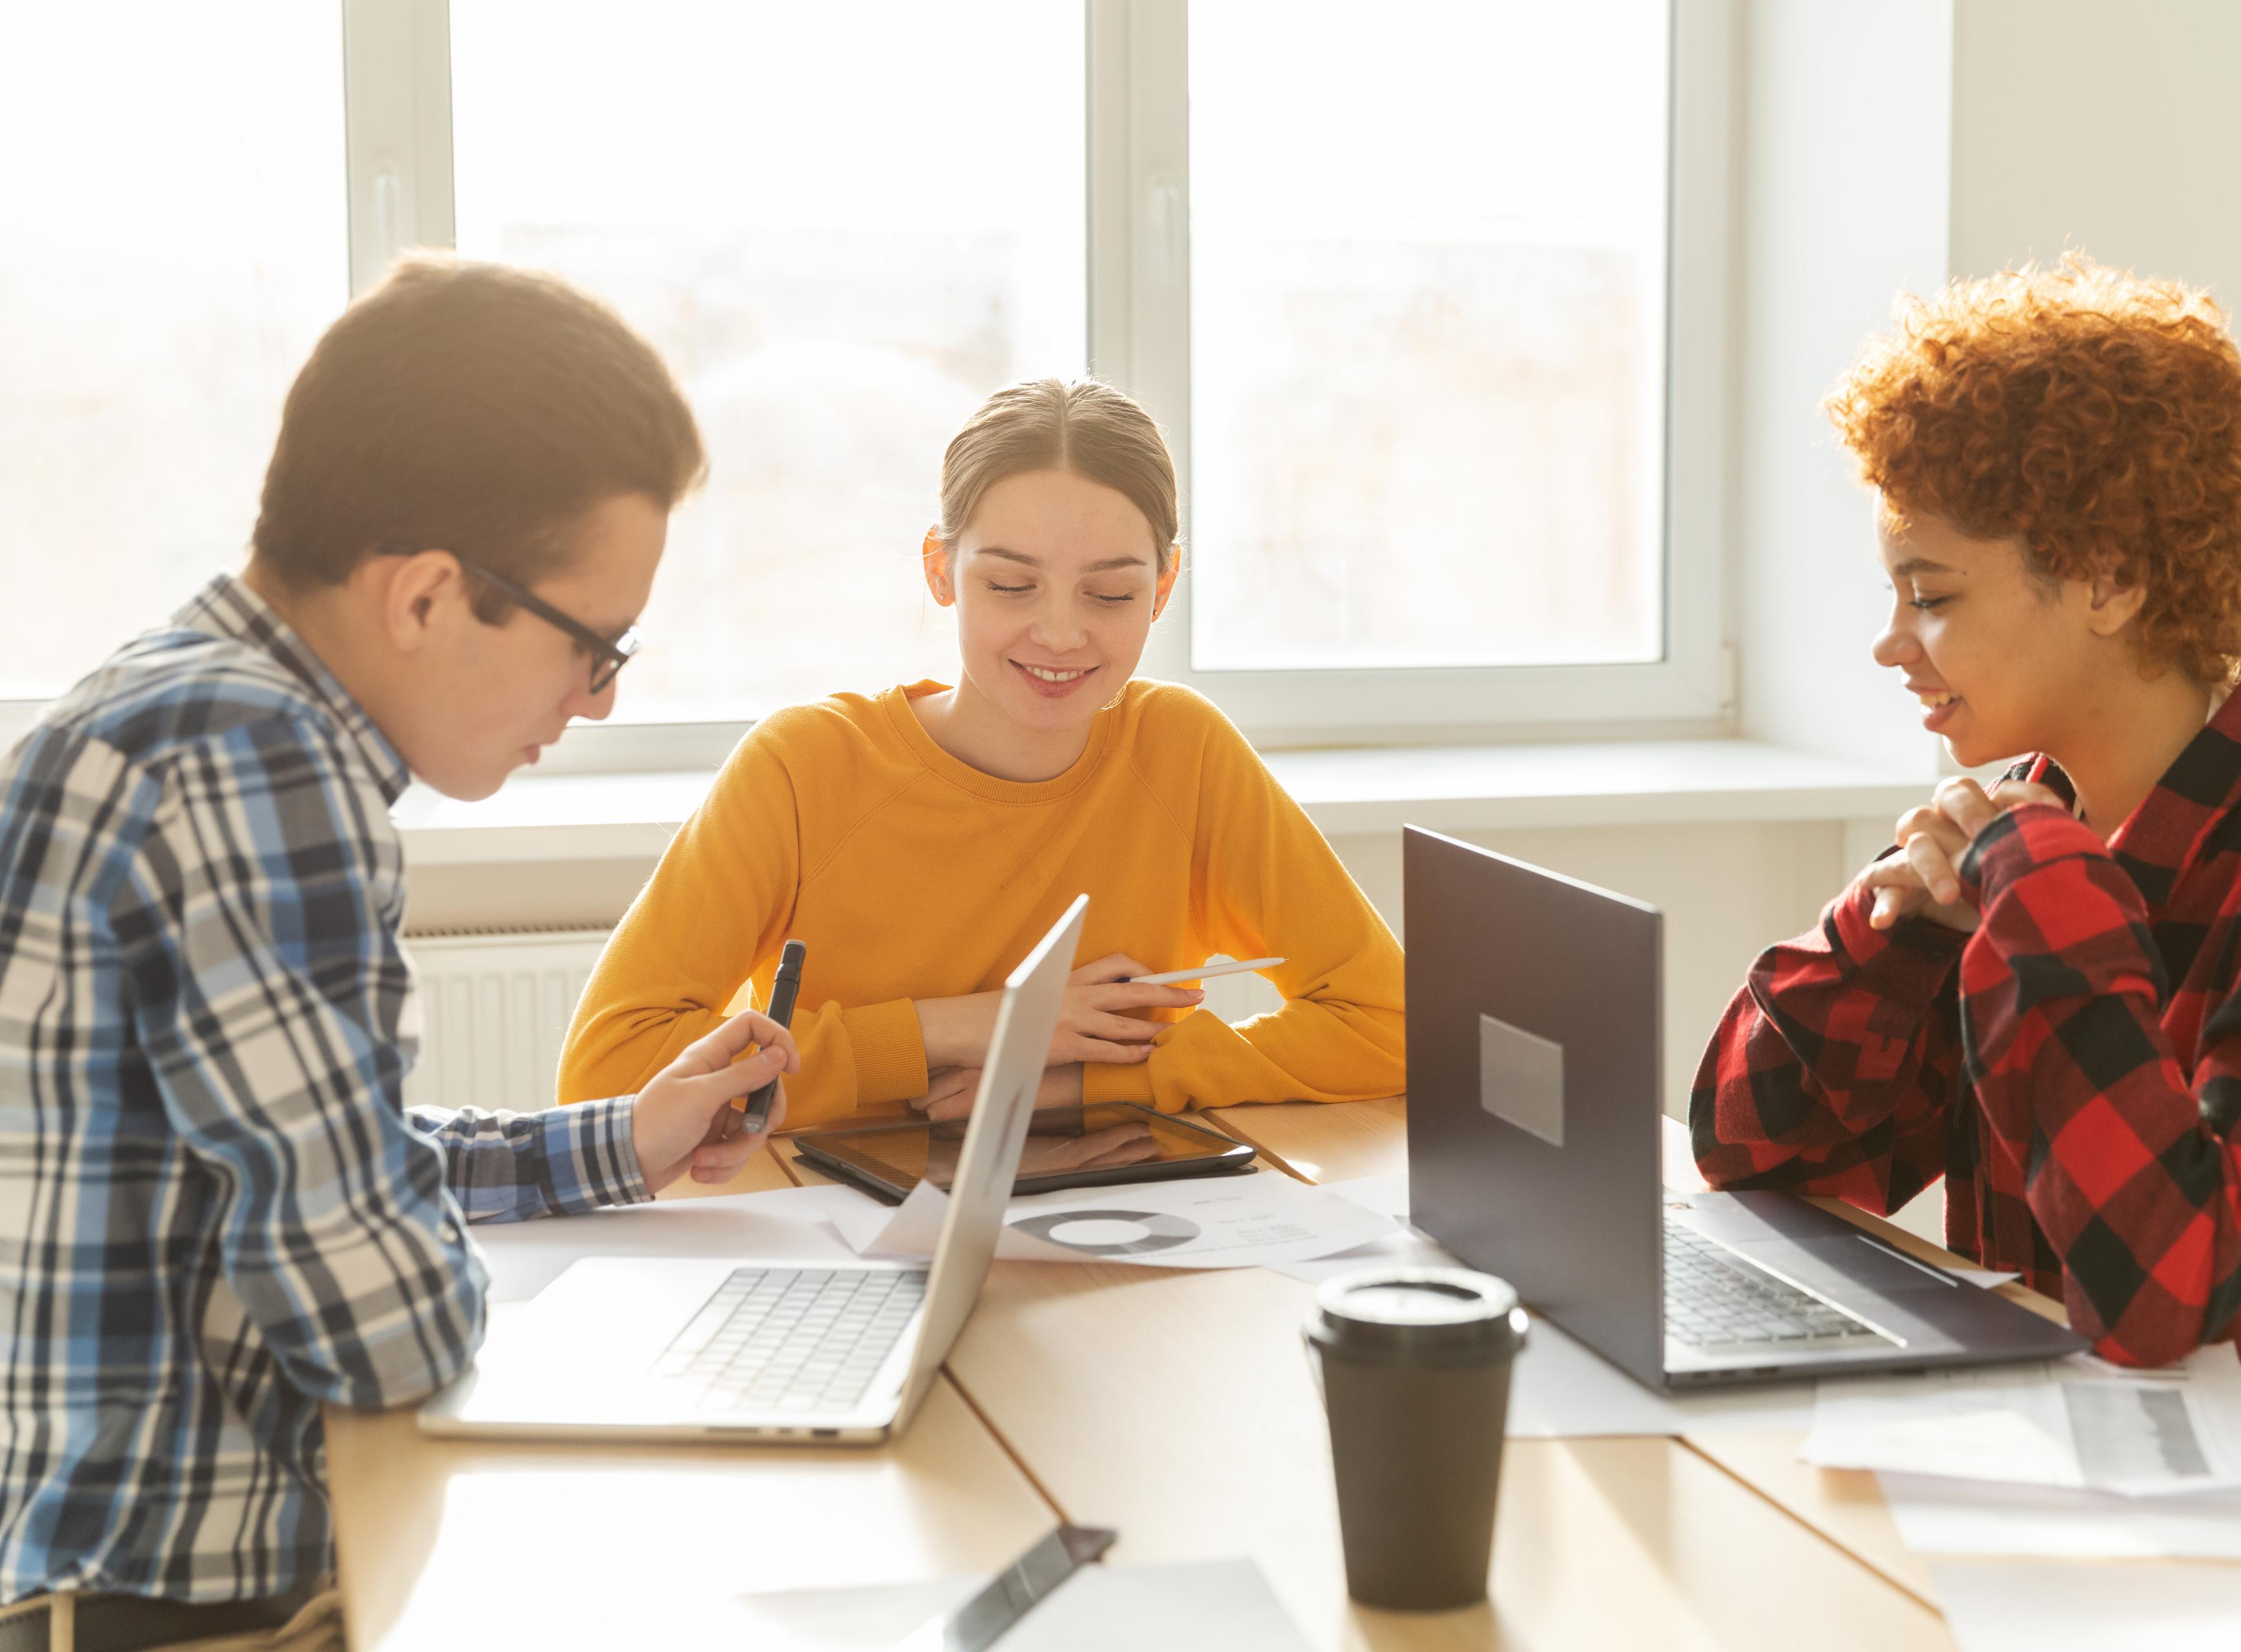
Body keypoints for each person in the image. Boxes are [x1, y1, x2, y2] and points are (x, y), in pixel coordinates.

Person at [0, 257, 801, 1650]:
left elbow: (310, 1147)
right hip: (193, 1603)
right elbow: (382, 1312)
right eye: (592, 646)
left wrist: (614, 1140)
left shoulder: (177, 700)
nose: (597, 703)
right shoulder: (254, 764)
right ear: (429, 596)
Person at [1692, 259, 2241, 1492]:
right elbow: (1757, 1157)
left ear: (2111, 579)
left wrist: (2031, 883)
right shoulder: (2028, 826)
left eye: (1931, 595)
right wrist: (1897, 924)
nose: (1891, 644)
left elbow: (2170, 1287)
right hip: (2096, 1470)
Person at [559, 378, 1404, 1129]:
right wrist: (971, 1027)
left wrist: (1095, 1084)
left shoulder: (1182, 753)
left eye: (1112, 593)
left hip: (1109, 1214)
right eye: (1010, 585)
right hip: (826, 1217)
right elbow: (608, 1075)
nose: (1063, 633)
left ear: (1165, 589)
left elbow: (1394, 1023)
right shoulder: (805, 768)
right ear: (941, 569)